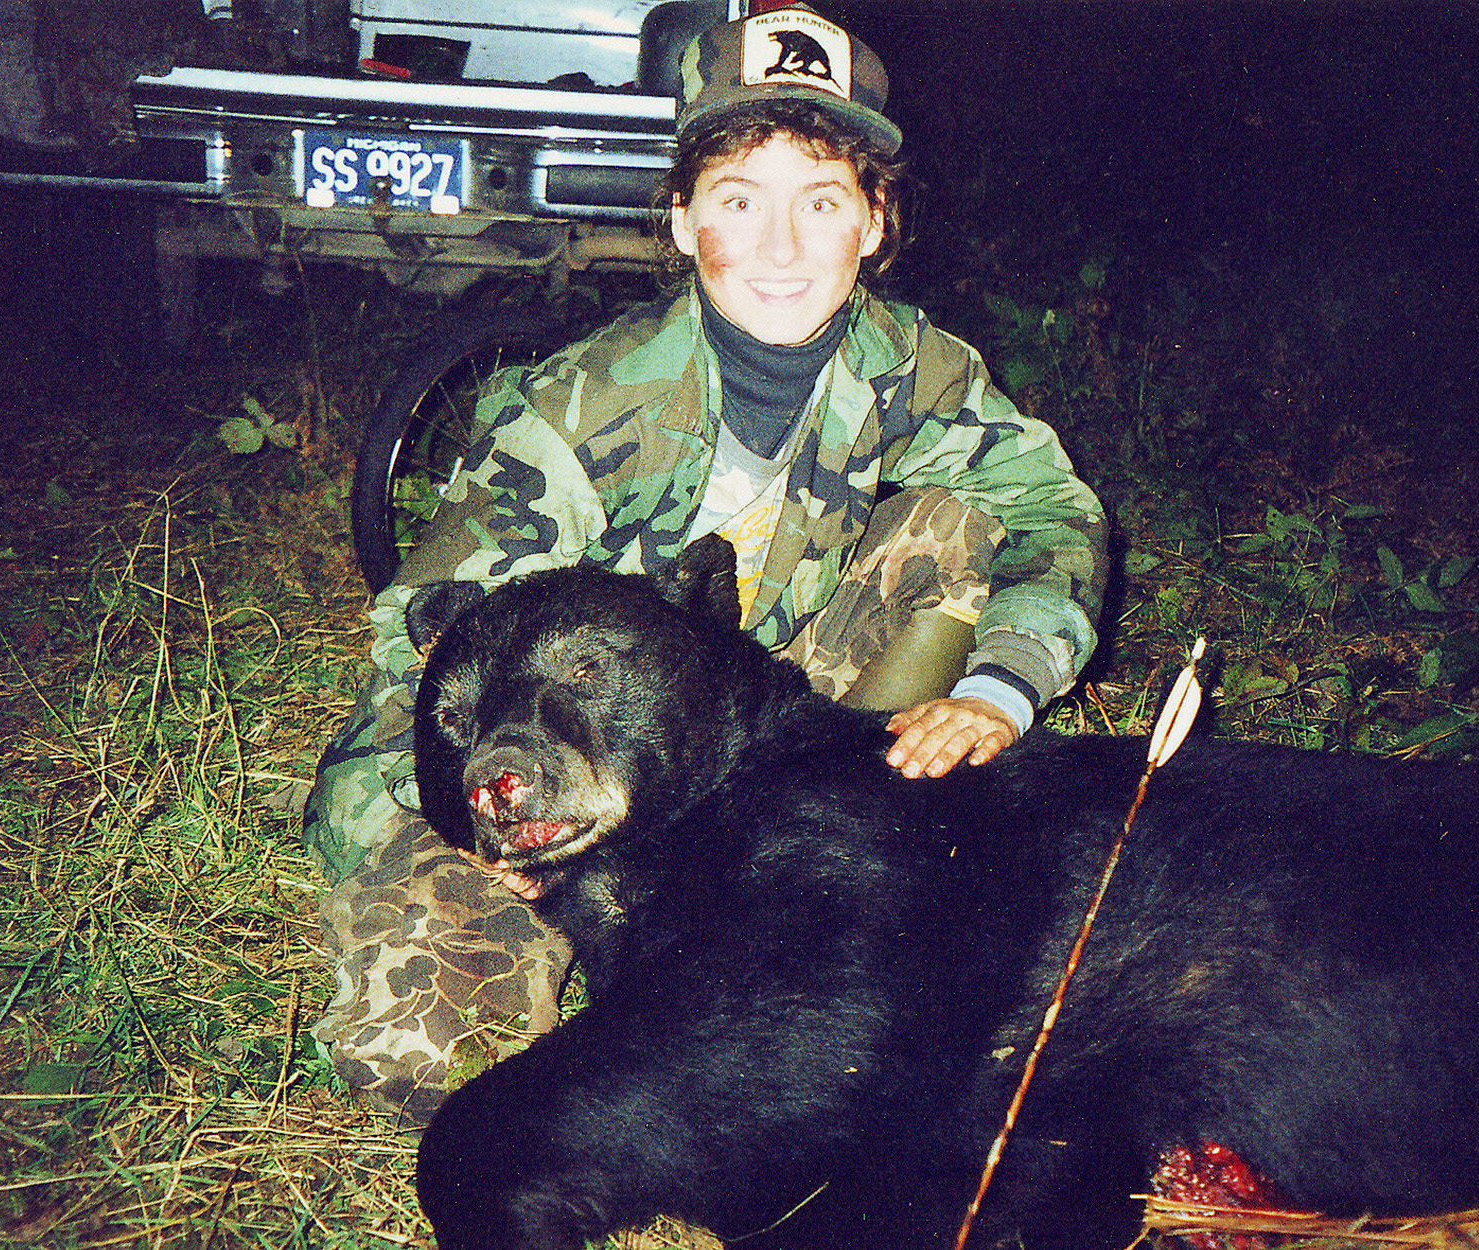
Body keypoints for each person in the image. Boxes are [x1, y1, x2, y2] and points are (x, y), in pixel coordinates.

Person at [302, 3, 1108, 1125]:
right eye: (739, 201)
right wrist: (459, 816)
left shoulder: (918, 369)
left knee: (953, 522)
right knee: (430, 1056)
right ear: (681, 220)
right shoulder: (581, 404)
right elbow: (423, 653)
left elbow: (1054, 512)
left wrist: (1001, 684)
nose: (782, 249)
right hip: (554, 761)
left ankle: (845, 835)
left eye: (821, 202)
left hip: (765, 726)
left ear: (875, 222)